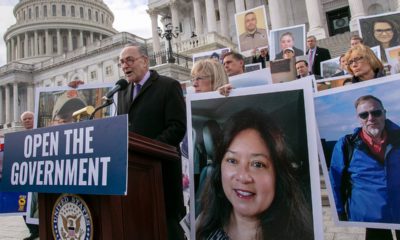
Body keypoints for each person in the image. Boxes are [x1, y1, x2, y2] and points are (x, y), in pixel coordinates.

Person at [196, 108, 313, 240]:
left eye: (257, 164)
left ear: (278, 175)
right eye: (232, 160)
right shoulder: (201, 225)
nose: (243, 176)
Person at [117, 43, 186, 240]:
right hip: (134, 174)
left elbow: (177, 127)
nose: (124, 65)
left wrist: (149, 150)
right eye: (121, 62)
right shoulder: (122, 92)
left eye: (129, 60)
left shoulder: (168, 86)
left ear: (145, 61)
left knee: (169, 227)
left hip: (162, 171)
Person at [329, 95, 400, 240]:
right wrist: (339, 212)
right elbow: (335, 181)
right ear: (358, 118)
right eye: (364, 114)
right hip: (372, 218)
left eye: (376, 112)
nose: (370, 118)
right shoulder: (346, 145)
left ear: (384, 113)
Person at [20, 111, 39, 240]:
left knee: (38, 205)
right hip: (24, 176)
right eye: (25, 119)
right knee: (22, 206)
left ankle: (40, 228)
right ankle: (33, 231)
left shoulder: (42, 133)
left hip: (38, 175)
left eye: (30, 118)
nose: (27, 120)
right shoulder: (18, 137)